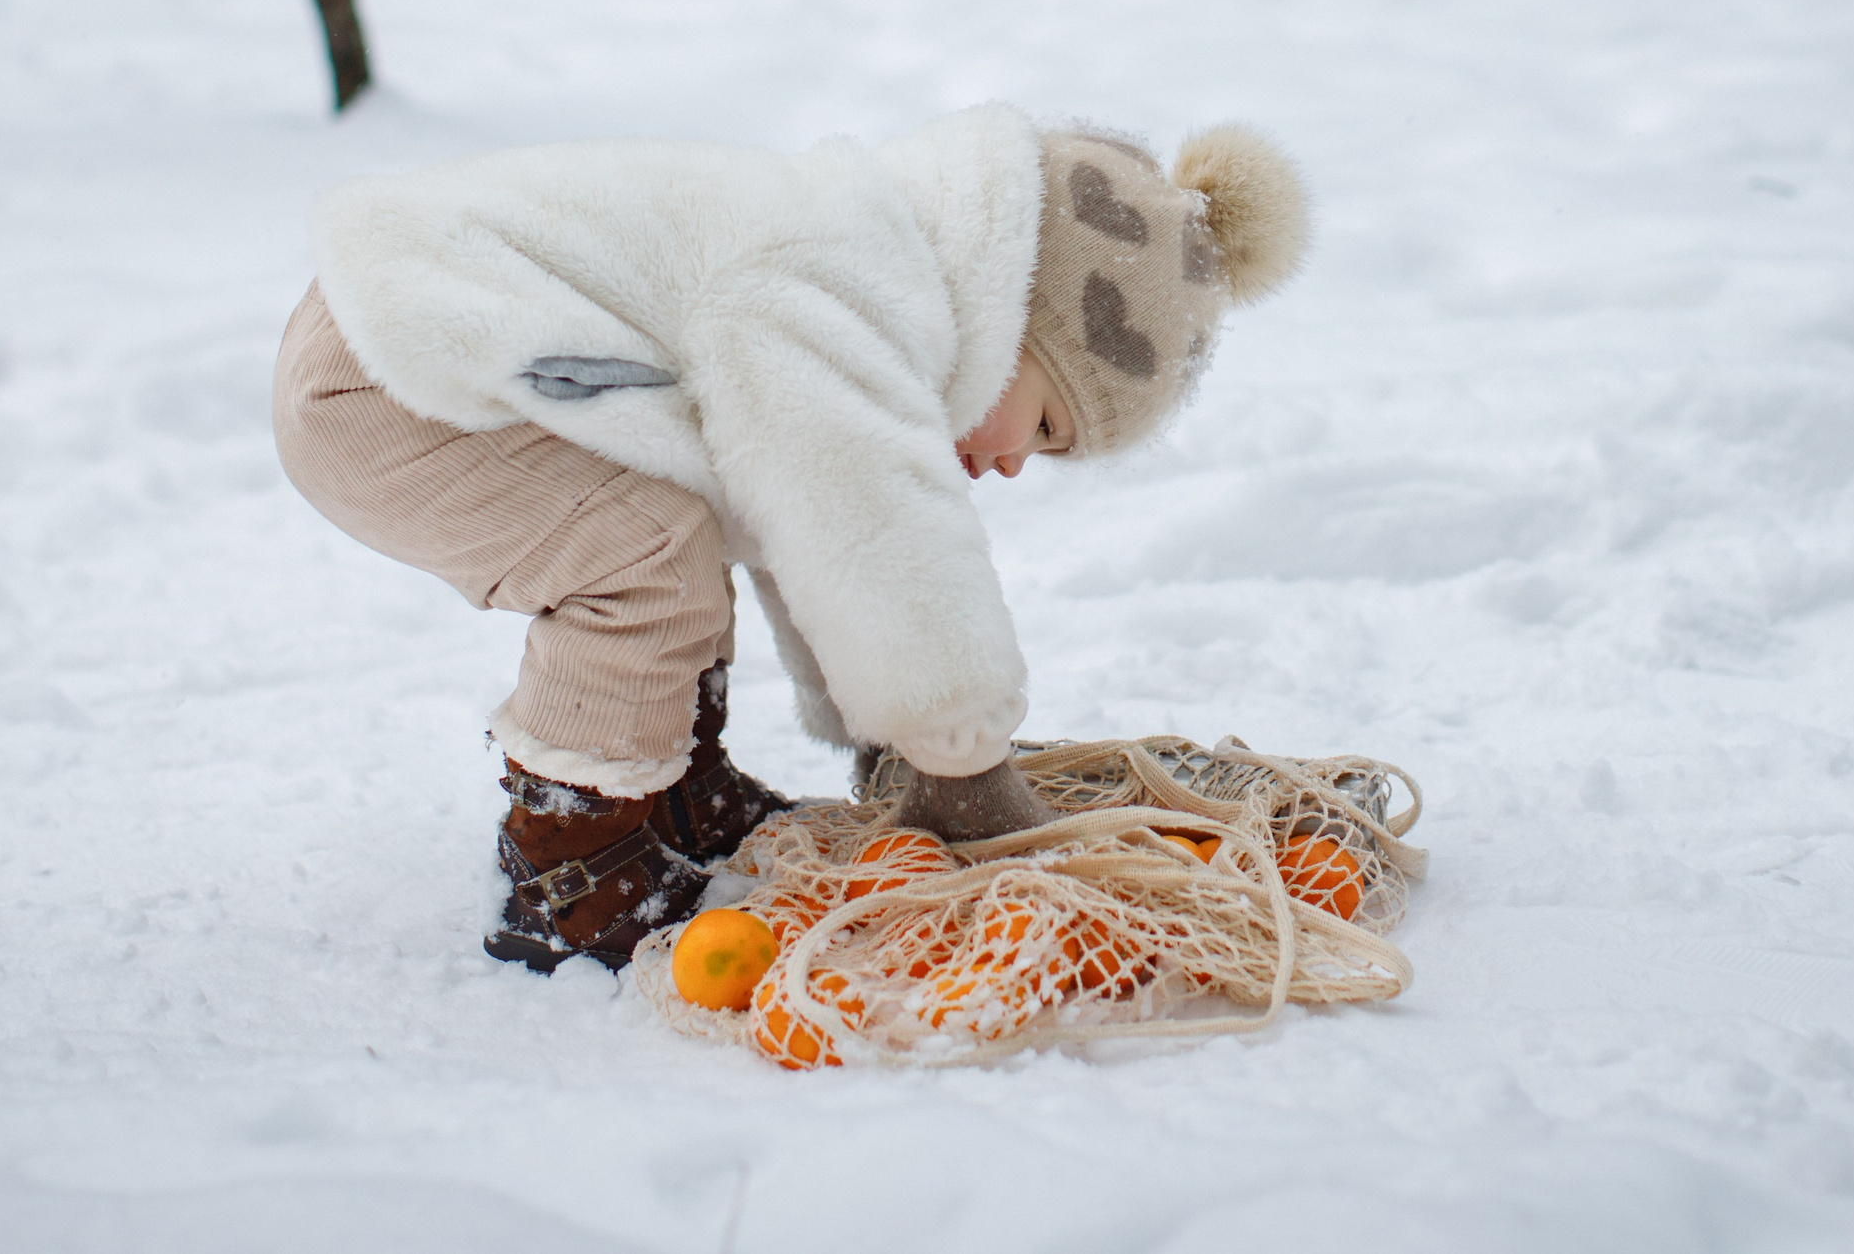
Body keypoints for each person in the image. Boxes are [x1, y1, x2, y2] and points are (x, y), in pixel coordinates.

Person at [271, 103, 1310, 974]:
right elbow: (872, 526)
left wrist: (894, 735)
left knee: (670, 531)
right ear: (1015, 320)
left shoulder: (867, 262)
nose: (1011, 464)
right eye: (1043, 424)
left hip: (413, 335)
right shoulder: (834, 281)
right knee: (643, 556)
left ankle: (672, 790)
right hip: (392, 369)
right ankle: (574, 860)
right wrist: (957, 759)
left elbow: (811, 538)